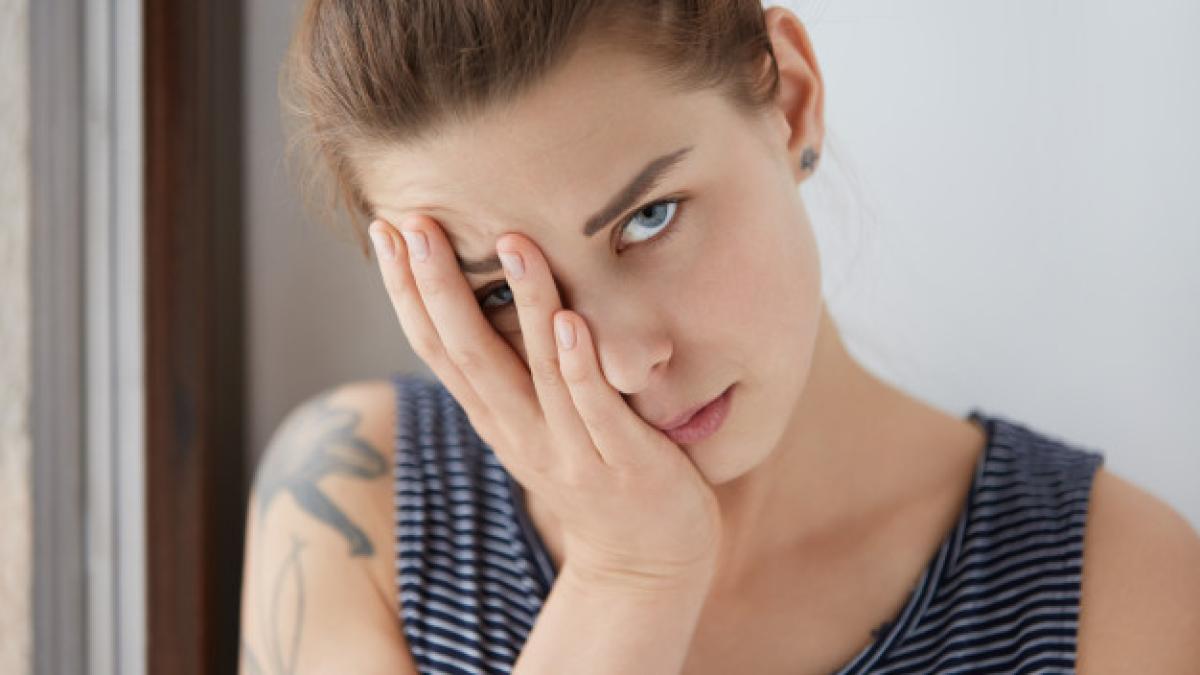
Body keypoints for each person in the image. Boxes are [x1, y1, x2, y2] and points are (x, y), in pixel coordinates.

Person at [238, 1, 1200, 673]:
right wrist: (629, 580)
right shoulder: (358, 502)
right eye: (500, 293)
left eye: (649, 220)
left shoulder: (1109, 583)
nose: (618, 364)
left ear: (787, 100)